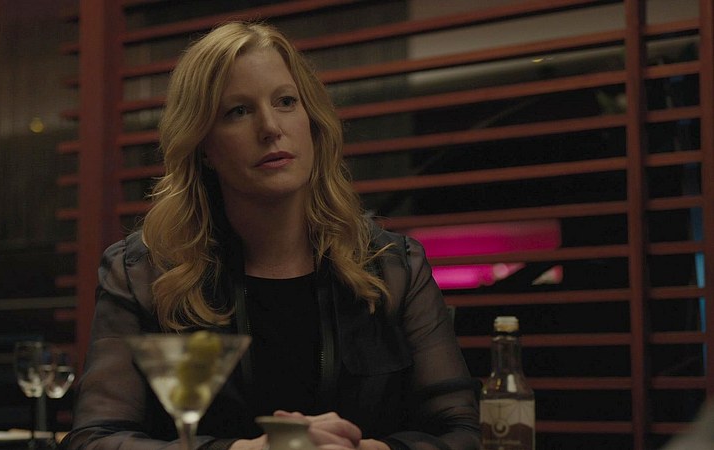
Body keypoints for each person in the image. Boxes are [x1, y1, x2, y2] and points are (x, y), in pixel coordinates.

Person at [62, 21, 480, 450]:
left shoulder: (395, 266)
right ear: (203, 147)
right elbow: (93, 439)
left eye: (285, 101)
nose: (270, 127)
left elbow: (460, 431)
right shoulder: (142, 274)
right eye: (237, 111)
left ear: (311, 122)